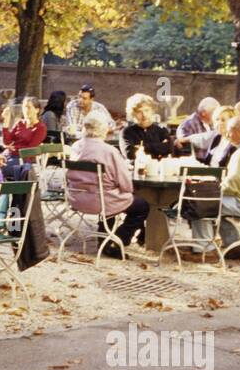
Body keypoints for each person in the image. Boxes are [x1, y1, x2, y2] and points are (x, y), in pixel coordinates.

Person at [187, 116, 240, 259]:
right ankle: (235, 245)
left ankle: (205, 251)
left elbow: (232, 186)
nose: (227, 136)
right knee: (210, 205)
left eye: (229, 132)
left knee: (198, 203)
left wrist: (210, 189)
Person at [67, 112, 148, 256]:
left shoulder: (76, 146)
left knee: (112, 196)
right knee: (141, 206)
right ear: (104, 130)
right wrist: (128, 190)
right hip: (101, 200)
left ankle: (104, 240)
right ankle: (116, 241)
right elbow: (125, 182)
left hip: (76, 198)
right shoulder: (109, 151)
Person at [0, 95, 46, 165]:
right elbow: (7, 141)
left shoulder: (40, 128)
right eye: (24, 107)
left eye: (29, 107)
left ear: (37, 110)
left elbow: (30, 149)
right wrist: (6, 121)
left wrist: (13, 147)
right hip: (8, 154)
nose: (26, 110)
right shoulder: (20, 123)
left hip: (22, 159)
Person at [120, 94, 176, 160]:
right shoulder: (127, 132)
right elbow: (130, 153)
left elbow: (169, 148)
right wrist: (159, 147)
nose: (144, 115)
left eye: (147, 110)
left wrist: (142, 148)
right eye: (139, 112)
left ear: (152, 111)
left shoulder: (161, 130)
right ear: (133, 114)